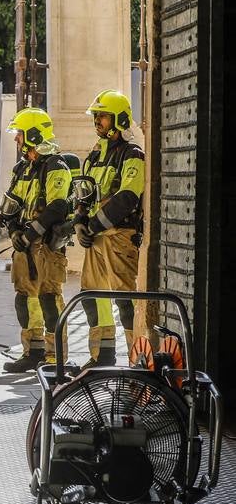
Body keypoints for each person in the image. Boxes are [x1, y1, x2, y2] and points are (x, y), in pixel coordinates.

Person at [0, 107, 74, 372]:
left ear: (32, 134)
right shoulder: (23, 168)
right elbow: (12, 203)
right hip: (25, 248)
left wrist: (29, 234)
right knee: (24, 300)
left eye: (19, 134)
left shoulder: (56, 166)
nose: (17, 139)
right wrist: (14, 230)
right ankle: (33, 351)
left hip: (47, 248)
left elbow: (57, 207)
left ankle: (56, 357)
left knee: (49, 300)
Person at [74, 89, 145, 367]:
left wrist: (93, 224)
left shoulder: (132, 154)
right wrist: (79, 221)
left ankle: (136, 359)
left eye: (102, 116)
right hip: (95, 237)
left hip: (119, 236)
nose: (98, 121)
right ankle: (102, 355)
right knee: (91, 296)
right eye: (97, 116)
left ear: (119, 119)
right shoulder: (94, 155)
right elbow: (84, 192)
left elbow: (128, 196)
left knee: (125, 301)